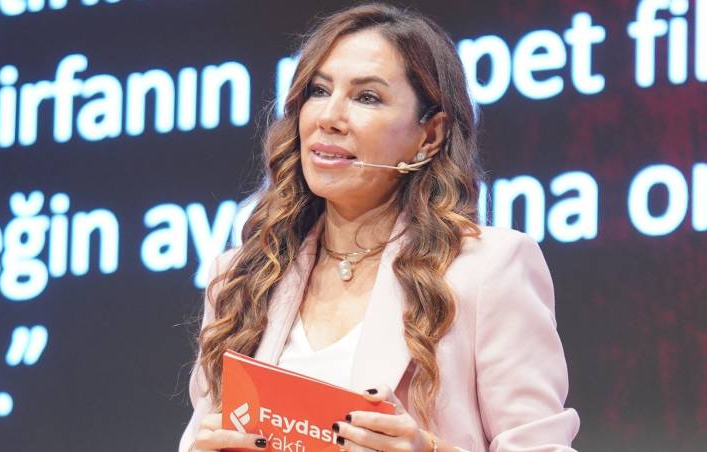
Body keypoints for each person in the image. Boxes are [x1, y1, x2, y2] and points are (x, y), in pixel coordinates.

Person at [179, 3, 580, 451]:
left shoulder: (488, 268)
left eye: (366, 97)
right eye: (318, 90)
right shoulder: (241, 277)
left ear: (430, 135)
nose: (328, 117)